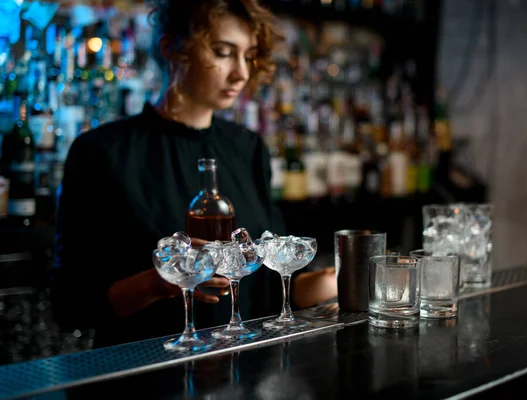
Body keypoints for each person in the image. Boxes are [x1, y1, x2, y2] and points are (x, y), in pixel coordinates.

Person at [51, 0, 336, 348]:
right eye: (222, 52)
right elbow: (71, 306)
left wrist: (338, 276)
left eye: (247, 56)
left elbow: (266, 290)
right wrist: (159, 283)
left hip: (246, 371)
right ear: (172, 48)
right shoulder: (101, 152)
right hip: (146, 372)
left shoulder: (248, 148)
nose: (241, 73)